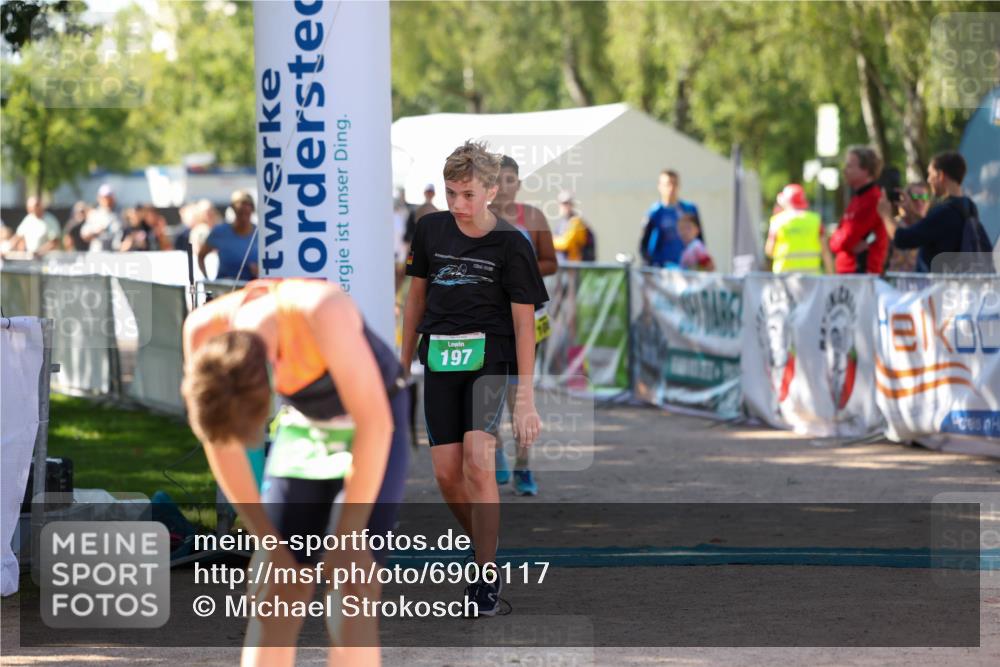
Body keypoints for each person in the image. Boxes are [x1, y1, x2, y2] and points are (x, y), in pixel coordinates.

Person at [182, 277, 409, 667]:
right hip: (305, 425)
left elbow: (375, 424)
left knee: (352, 586)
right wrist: (267, 540)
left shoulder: (320, 309)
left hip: (374, 419)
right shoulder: (202, 329)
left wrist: (348, 534)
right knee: (276, 589)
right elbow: (220, 444)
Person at [401, 141, 548, 614]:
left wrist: (525, 398)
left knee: (477, 463)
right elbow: (415, 302)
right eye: (451, 194)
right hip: (440, 358)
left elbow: (525, 324)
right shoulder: (430, 230)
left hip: (491, 358)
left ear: (489, 190)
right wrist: (401, 367)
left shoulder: (511, 244)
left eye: (468, 195)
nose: (458, 205)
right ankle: (488, 545)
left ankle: (484, 577)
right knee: (446, 474)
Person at [488, 154, 557, 496]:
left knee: (520, 395)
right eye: (497, 180)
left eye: (510, 180)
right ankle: (498, 452)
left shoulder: (531, 217)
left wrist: (520, 273)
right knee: (489, 393)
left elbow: (551, 262)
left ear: (518, 183)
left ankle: (524, 465)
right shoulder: (476, 219)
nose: (504, 187)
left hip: (529, 320)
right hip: (488, 319)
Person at [882, 151, 993, 273]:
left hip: (938, 286)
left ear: (941, 175)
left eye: (930, 174)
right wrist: (913, 213)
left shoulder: (944, 212)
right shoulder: (968, 207)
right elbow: (937, 230)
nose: (929, 180)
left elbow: (902, 239)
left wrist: (885, 215)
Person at [828, 146, 888, 274]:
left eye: (850, 166)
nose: (845, 170)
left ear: (865, 170)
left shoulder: (872, 199)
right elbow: (840, 238)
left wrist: (837, 240)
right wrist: (837, 240)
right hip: (850, 273)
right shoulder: (858, 197)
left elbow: (847, 239)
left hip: (861, 273)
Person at [639, 169, 701, 268]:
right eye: (667, 184)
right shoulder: (654, 212)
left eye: (674, 184)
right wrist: (649, 264)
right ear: (659, 186)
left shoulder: (689, 209)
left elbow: (699, 238)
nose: (671, 188)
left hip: (686, 268)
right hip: (662, 269)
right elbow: (643, 244)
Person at [764, 184, 829, 274]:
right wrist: (831, 274)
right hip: (812, 279)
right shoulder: (815, 220)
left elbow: (769, 251)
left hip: (784, 278)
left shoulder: (777, 221)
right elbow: (825, 252)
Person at [199, 190, 258, 281]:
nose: (244, 210)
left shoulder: (260, 234)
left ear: (252, 209)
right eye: (240, 210)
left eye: (247, 205)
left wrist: (260, 271)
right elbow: (201, 256)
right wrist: (207, 280)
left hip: (251, 288)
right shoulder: (220, 232)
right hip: (225, 288)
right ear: (233, 209)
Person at [883, 181, 932, 273]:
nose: (919, 202)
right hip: (896, 282)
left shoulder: (932, 225)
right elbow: (872, 238)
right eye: (914, 197)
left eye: (924, 197)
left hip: (925, 283)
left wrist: (913, 212)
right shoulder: (892, 224)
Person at [552, 190, 595, 262]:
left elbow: (566, 243)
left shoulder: (576, 222)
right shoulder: (562, 222)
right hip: (562, 264)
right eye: (562, 203)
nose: (564, 206)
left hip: (573, 265)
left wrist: (550, 242)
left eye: (567, 203)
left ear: (572, 205)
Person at [81, 184, 124, 252]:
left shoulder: (121, 214)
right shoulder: (94, 214)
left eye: (109, 197)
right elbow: (84, 235)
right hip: (98, 255)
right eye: (104, 197)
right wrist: (97, 232)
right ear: (99, 198)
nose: (107, 200)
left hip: (115, 256)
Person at [392, 187, 417, 291]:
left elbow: (408, 234)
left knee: (405, 274)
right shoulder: (393, 214)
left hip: (406, 253)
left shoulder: (407, 212)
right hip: (396, 253)